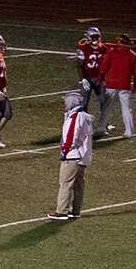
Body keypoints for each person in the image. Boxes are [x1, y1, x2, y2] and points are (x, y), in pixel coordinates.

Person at [49, 90, 93, 219]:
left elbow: (70, 137)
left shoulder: (74, 117)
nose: (65, 104)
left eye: (67, 101)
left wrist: (65, 151)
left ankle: (61, 211)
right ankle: (76, 210)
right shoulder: (84, 116)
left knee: (65, 183)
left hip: (73, 155)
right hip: (83, 155)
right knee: (78, 185)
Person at [101, 33, 136, 137]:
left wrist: (100, 79)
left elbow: (104, 67)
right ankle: (129, 131)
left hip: (111, 83)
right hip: (124, 84)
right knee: (126, 108)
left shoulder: (111, 52)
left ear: (119, 42)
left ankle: (101, 128)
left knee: (106, 107)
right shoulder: (132, 55)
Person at [75, 26, 108, 124]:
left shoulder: (103, 48)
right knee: (84, 102)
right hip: (87, 78)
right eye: (93, 36)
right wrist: (83, 79)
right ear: (89, 37)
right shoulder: (83, 48)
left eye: (96, 36)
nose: (95, 39)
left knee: (104, 101)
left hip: (99, 78)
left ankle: (104, 123)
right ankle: (85, 123)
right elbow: (79, 65)